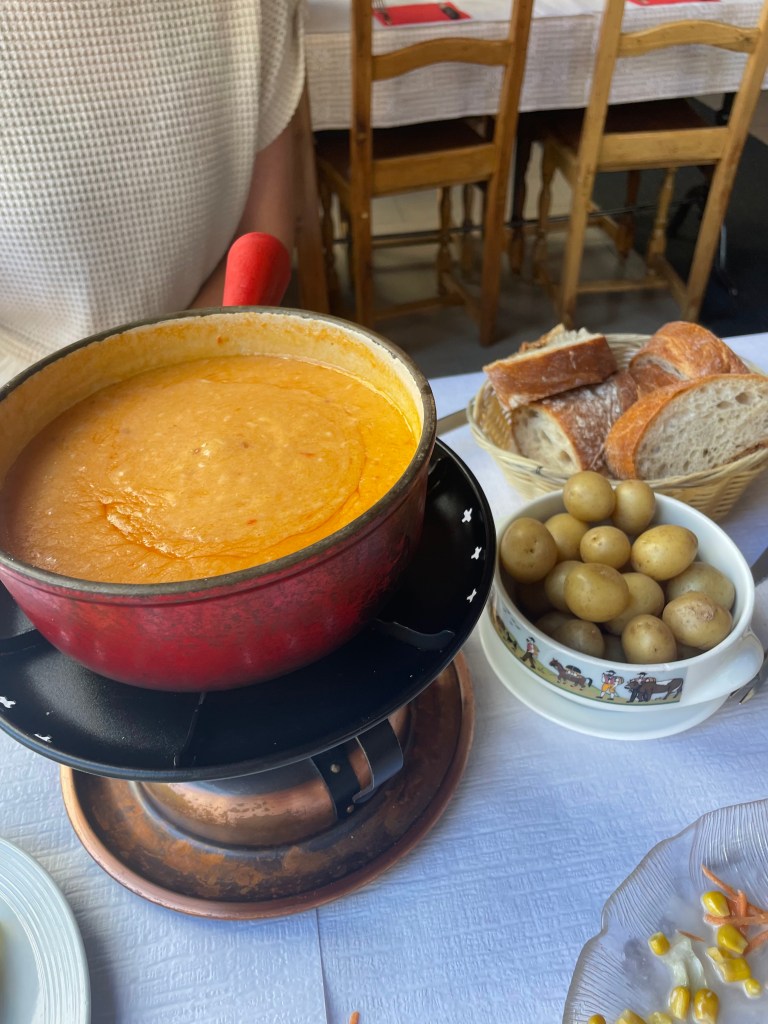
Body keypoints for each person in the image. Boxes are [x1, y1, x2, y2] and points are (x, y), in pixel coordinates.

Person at [0, 0, 305, 385]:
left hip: (203, 358)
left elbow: (264, 230)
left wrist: (177, 369)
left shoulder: (258, 10)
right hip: (18, 380)